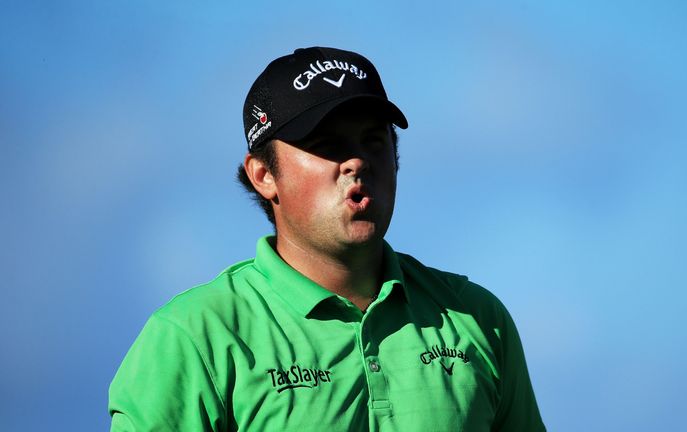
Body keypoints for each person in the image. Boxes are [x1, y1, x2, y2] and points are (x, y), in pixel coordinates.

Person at [108, 46, 545, 431]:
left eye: (374, 141)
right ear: (263, 175)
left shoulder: (477, 318)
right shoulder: (194, 337)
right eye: (327, 144)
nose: (356, 161)